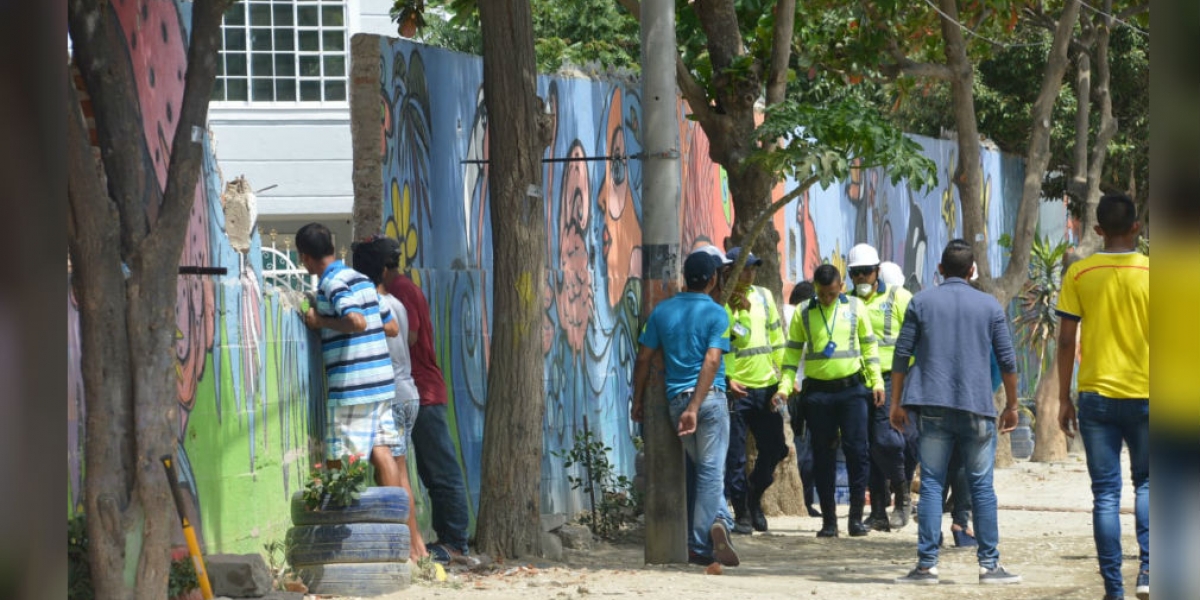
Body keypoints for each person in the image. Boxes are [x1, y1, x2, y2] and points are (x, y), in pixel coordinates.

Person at [890, 239, 1022, 585]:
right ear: (972, 270)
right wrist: (1012, 405)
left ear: (940, 269)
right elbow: (1008, 361)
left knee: (931, 482)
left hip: (932, 406)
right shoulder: (989, 305)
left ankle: (926, 566)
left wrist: (896, 402)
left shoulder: (921, 302)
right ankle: (989, 565)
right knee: (981, 486)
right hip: (977, 407)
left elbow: (901, 355)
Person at [1055, 194, 1149, 600]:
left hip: (1095, 396)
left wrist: (1063, 398)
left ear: (1097, 231)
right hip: (1149, 394)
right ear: (1137, 228)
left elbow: (1064, 342)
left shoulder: (1078, 274)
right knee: (1148, 485)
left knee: (1106, 494)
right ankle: (1149, 572)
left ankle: (1114, 589)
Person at [632, 249, 739, 567]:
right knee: (710, 472)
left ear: (684, 278)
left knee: (706, 472)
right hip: (709, 400)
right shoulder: (718, 314)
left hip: (676, 401)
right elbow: (712, 359)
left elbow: (643, 359)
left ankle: (720, 521)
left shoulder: (661, 312)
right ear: (713, 279)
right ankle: (702, 541)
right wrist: (697, 405)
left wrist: (636, 400)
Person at [778, 264, 884, 538]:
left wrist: (877, 381)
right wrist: (785, 386)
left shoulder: (855, 308)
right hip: (818, 395)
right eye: (823, 294)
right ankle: (829, 522)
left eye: (833, 293)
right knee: (822, 456)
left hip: (852, 391)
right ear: (816, 289)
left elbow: (870, 347)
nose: (828, 299)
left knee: (857, 453)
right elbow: (790, 356)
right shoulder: (804, 312)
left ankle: (856, 520)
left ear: (841, 287)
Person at [297, 223, 402, 487]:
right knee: (383, 452)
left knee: (341, 459)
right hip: (381, 384)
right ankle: (395, 524)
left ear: (305, 257)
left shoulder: (332, 284)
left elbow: (356, 321)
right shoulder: (363, 280)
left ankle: (344, 521)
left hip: (353, 388)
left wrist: (321, 321)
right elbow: (391, 327)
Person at [383, 254, 472, 563]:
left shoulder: (400, 290)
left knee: (440, 470)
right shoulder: (400, 288)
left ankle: (455, 542)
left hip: (423, 389)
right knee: (430, 470)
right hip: (418, 388)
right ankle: (448, 540)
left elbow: (411, 336)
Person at [352, 236, 428, 561]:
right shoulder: (395, 305)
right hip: (408, 392)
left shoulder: (374, 308)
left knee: (395, 471)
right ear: (385, 269)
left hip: (392, 396)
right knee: (402, 471)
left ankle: (410, 548)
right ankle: (418, 548)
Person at [846, 244, 916, 532]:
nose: (861, 278)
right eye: (855, 273)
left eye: (866, 272)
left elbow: (917, 336)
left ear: (878, 271)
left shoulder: (899, 297)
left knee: (887, 440)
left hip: (893, 378)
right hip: (858, 379)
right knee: (867, 445)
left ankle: (902, 497)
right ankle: (877, 510)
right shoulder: (845, 302)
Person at [720, 247, 788, 534]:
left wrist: (784, 381)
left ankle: (754, 495)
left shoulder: (763, 296)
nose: (749, 274)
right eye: (744, 268)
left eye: (753, 268)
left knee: (777, 448)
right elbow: (723, 345)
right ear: (730, 270)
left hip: (765, 387)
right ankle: (743, 512)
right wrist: (728, 379)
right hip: (736, 389)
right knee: (735, 456)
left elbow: (777, 340)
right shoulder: (721, 302)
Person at [785, 280, 820, 518]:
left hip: (786, 388)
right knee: (806, 448)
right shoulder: (807, 316)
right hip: (804, 388)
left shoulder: (785, 314)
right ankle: (805, 501)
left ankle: (805, 500)